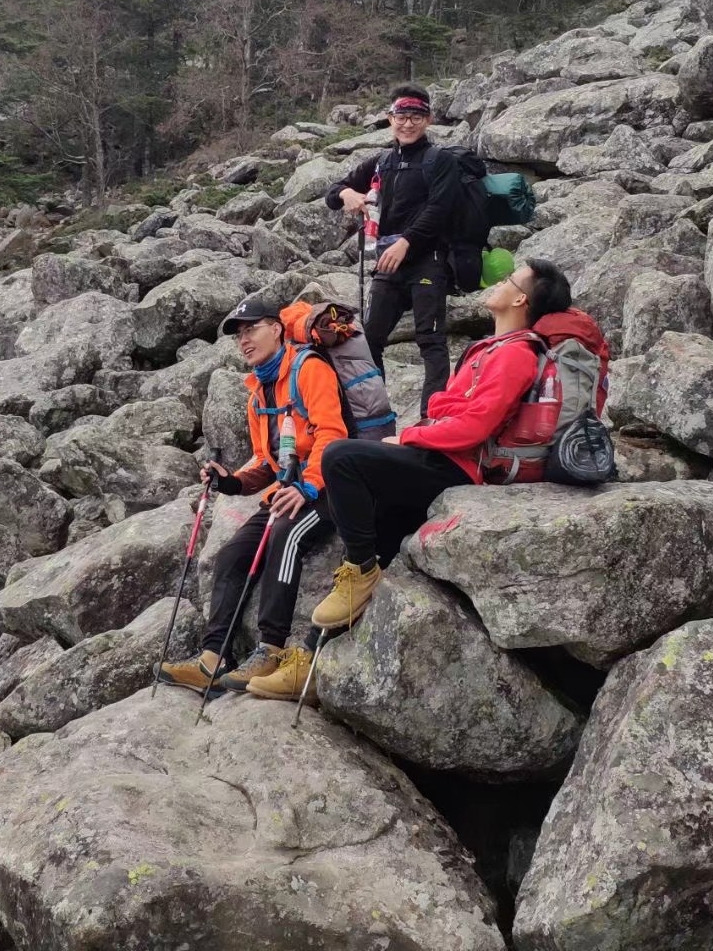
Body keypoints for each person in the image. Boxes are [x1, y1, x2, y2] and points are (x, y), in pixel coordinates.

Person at [245, 259, 578, 702]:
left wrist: (411, 434)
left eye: (507, 279)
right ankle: (310, 662)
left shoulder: (516, 352)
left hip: (459, 468)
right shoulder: (491, 346)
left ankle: (358, 570)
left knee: (343, 459)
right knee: (379, 529)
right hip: (443, 459)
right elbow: (452, 406)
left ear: (520, 299)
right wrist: (438, 414)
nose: (497, 282)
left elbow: (475, 426)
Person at [156, 295, 348, 697]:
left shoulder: (309, 369)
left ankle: (271, 649)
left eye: (252, 330)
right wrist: (231, 481)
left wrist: (307, 486)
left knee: (286, 536)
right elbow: (266, 461)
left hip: (331, 484)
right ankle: (212, 659)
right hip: (289, 487)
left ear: (277, 328)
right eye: (239, 334)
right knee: (231, 555)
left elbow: (332, 434)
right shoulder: (259, 393)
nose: (244, 340)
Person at [324, 84, 458, 415]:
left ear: (428, 120)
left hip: (429, 259)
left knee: (431, 341)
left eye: (416, 116)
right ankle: (376, 417)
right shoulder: (382, 161)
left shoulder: (441, 160)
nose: (408, 124)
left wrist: (406, 241)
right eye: (401, 116)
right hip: (388, 261)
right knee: (370, 341)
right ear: (389, 118)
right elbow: (332, 192)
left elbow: (441, 210)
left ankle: (432, 420)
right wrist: (348, 195)